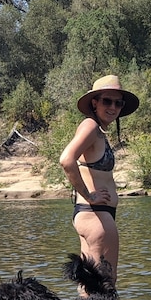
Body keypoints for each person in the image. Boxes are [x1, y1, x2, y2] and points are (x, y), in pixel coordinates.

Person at [59, 75, 140, 289]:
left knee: (89, 287)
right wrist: (89, 195)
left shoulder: (97, 130)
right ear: (94, 102)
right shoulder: (90, 126)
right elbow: (67, 160)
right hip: (97, 218)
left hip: (91, 216)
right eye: (107, 101)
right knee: (106, 286)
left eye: (118, 103)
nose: (113, 107)